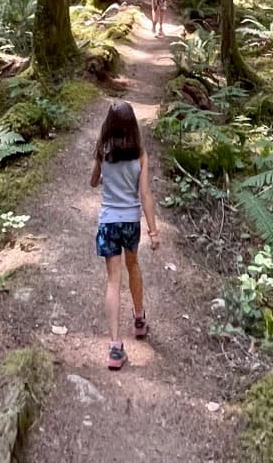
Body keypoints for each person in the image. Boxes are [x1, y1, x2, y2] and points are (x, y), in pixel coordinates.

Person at [90, 100, 159, 369]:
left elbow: (94, 182)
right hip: (131, 222)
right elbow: (145, 195)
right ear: (132, 125)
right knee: (134, 266)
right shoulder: (140, 154)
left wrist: (104, 174)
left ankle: (115, 347)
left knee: (113, 280)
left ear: (108, 125)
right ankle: (139, 319)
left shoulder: (103, 151)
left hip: (109, 223)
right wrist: (153, 231)